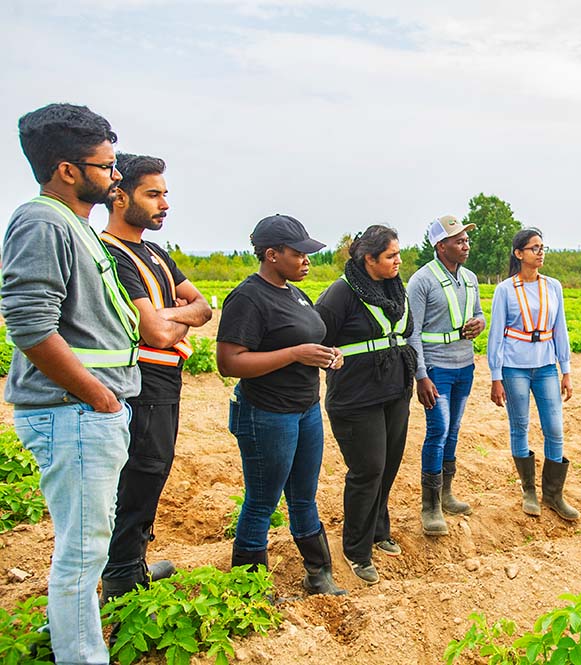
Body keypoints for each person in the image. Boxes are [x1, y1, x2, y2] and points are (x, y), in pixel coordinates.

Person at [2, 103, 140, 664]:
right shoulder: (41, 222)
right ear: (66, 169)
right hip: (74, 412)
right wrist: (101, 397)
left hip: (83, 411)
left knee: (89, 547)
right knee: (82, 555)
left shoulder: (71, 225)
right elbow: (31, 327)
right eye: (106, 166)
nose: (115, 177)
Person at [98, 153, 212, 602]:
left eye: (165, 194)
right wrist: (175, 320)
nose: (164, 203)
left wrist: (171, 318)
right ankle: (121, 578)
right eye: (153, 194)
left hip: (165, 379)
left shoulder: (154, 252)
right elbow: (158, 331)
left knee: (156, 470)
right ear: (119, 195)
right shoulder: (111, 253)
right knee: (142, 474)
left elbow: (204, 307)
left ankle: (133, 565)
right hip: (141, 381)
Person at [216, 214, 347, 597]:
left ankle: (318, 574)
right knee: (262, 501)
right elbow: (229, 362)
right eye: (299, 253)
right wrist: (294, 354)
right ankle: (250, 591)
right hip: (267, 414)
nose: (307, 260)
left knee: (304, 496)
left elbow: (305, 342)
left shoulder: (295, 293)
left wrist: (326, 354)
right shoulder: (248, 297)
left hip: (305, 409)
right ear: (271, 255)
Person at [315, 225, 416, 585]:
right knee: (367, 470)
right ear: (368, 259)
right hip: (356, 398)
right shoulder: (340, 295)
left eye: (398, 254)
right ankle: (356, 551)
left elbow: (404, 333)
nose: (398, 261)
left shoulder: (394, 289)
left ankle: (378, 530)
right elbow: (315, 338)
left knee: (387, 466)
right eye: (391, 256)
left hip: (393, 390)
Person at [487, 228, 578, 522]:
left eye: (542, 247)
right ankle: (529, 490)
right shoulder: (505, 290)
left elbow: (560, 329)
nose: (540, 252)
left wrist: (566, 370)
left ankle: (553, 494)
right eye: (534, 248)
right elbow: (496, 334)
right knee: (520, 425)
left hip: (546, 366)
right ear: (519, 254)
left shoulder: (553, 287)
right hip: (515, 366)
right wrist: (495, 375)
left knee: (554, 427)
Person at [406, 215, 485, 536]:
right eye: (458, 241)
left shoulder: (470, 278)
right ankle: (430, 506)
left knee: (453, 431)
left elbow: (477, 314)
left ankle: (446, 493)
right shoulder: (421, 281)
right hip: (436, 369)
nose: (466, 245)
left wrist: (479, 324)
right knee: (437, 431)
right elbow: (412, 333)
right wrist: (420, 375)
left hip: (464, 366)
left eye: (466, 240)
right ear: (441, 246)